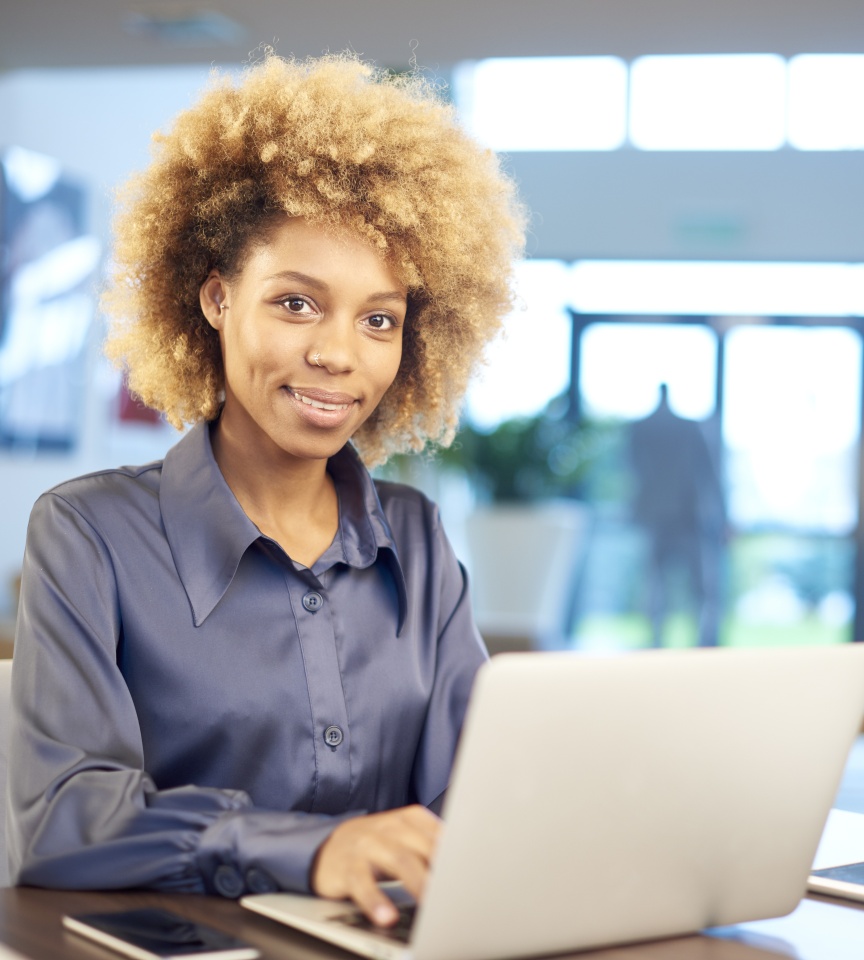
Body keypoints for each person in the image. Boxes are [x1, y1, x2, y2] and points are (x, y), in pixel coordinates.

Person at [7, 53, 525, 928]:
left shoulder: (418, 535)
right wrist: (310, 848)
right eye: (296, 304)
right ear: (215, 298)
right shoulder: (88, 533)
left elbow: (477, 791)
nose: (338, 355)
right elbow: (60, 821)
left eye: (378, 320)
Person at [626, 384, 726, 647]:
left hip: (684, 518)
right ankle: (673, 640)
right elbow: (710, 474)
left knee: (689, 587)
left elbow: (631, 468)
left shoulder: (644, 427)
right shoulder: (651, 428)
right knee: (669, 586)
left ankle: (680, 640)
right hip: (676, 517)